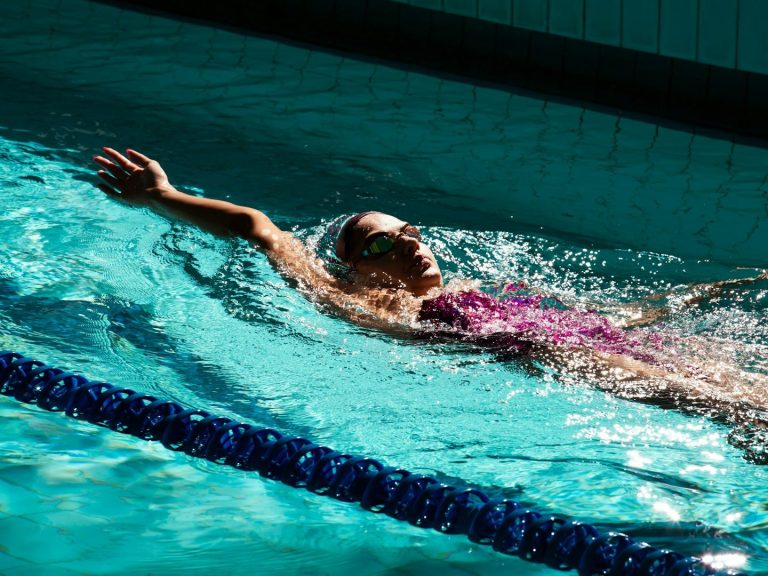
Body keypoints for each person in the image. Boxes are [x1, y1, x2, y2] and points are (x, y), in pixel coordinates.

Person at [93, 147, 768, 429]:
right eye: (383, 242)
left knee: (748, 391)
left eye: (411, 231)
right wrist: (163, 195)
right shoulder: (360, 299)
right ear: (357, 268)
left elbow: (613, 313)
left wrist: (709, 292)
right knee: (741, 412)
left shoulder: (480, 284)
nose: (411, 243)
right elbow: (260, 229)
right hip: (555, 359)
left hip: (595, 339)